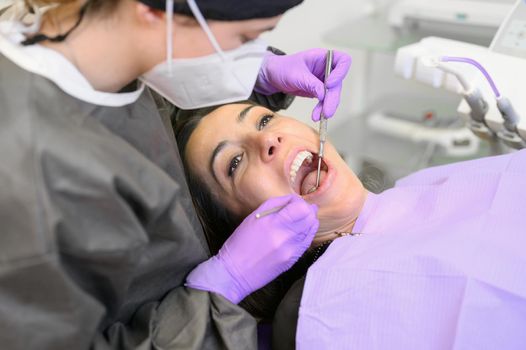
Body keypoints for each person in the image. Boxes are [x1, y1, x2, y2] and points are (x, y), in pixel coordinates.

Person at [0, 0, 353, 348]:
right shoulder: (28, 177)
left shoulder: (102, 52)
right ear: (153, 12)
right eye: (244, 38)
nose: (270, 140)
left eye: (264, 119)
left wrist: (255, 76)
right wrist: (216, 295)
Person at [174, 101, 526, 349]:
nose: (268, 140)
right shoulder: (311, 316)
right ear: (239, 230)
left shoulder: (424, 185)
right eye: (234, 162)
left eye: (264, 120)